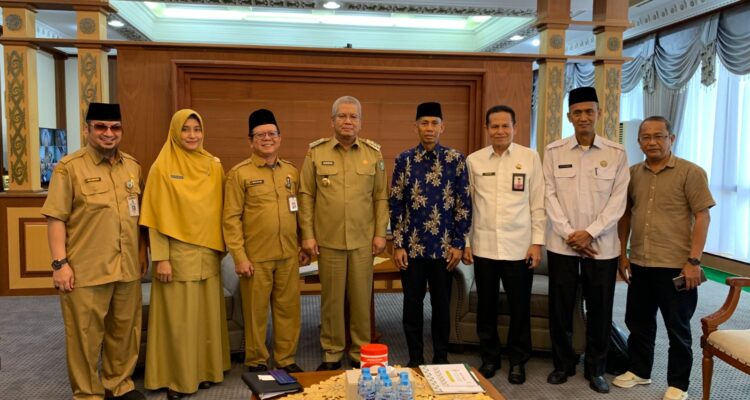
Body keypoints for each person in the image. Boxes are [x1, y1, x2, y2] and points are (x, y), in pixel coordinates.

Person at [41, 102, 146, 400]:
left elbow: (137, 217)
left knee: (125, 332)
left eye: (115, 128)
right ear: (87, 129)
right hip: (86, 269)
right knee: (84, 337)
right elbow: (56, 218)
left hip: (126, 267)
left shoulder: (133, 166)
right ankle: (88, 393)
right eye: (100, 127)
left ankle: (120, 385)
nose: (108, 133)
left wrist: (141, 253)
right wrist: (59, 263)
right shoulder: (69, 168)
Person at [613, 116, 714, 400]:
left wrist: (694, 262)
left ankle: (678, 384)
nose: (652, 142)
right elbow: (627, 215)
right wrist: (623, 255)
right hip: (641, 262)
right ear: (639, 141)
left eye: (659, 136)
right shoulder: (633, 173)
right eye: (646, 137)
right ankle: (639, 371)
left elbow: (703, 216)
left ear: (672, 138)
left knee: (677, 328)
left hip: (677, 266)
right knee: (639, 322)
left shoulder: (691, 172)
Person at [543, 86, 630, 393]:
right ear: (569, 116)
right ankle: (563, 364)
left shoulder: (616, 153)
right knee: (561, 308)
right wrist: (570, 234)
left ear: (599, 114)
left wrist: (589, 233)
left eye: (589, 111)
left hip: (601, 247)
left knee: (600, 309)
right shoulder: (553, 151)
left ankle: (596, 369)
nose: (583, 117)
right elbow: (548, 196)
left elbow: (618, 202)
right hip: (562, 245)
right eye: (577, 112)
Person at [140, 109, 230, 399]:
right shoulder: (162, 167)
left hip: (209, 255)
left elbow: (222, 209)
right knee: (179, 321)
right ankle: (177, 379)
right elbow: (154, 216)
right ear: (175, 132)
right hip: (176, 257)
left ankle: (204, 371)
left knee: (205, 318)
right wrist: (161, 258)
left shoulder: (213, 165)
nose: (192, 135)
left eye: (197, 129)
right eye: (186, 129)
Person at [299, 95, 389, 370]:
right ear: (333, 120)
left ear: (360, 122)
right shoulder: (316, 153)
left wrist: (380, 233)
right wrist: (308, 235)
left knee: (362, 300)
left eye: (353, 116)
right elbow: (306, 195)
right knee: (332, 300)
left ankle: (360, 352)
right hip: (329, 241)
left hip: (363, 240)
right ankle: (332, 352)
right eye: (342, 116)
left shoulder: (373, 154)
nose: (348, 121)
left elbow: (380, 197)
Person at [223, 109, 309, 373]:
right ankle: (257, 360)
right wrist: (239, 256)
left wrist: (303, 242)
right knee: (255, 313)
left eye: (272, 133)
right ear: (250, 141)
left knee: (288, 311)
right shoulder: (239, 174)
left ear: (280, 138)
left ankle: (285, 359)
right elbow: (231, 219)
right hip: (255, 258)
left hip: (287, 255)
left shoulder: (292, 172)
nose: (267, 138)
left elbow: (301, 210)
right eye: (260, 135)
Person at [463, 105, 545, 383]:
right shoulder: (474, 161)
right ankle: (490, 357)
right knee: (486, 306)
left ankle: (518, 360)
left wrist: (537, 243)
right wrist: (465, 241)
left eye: (505, 126)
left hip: (519, 247)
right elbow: (467, 206)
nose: (500, 131)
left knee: (519, 306)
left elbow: (538, 203)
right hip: (484, 246)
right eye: (494, 126)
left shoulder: (530, 158)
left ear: (515, 127)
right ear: (487, 129)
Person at [389, 102, 471, 368]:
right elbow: (396, 203)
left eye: (434, 123)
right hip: (411, 249)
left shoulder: (455, 160)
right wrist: (398, 244)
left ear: (442, 126)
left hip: (444, 250)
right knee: (412, 305)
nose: (429, 128)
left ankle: (441, 356)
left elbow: (463, 204)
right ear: (415, 127)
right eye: (424, 123)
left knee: (441, 306)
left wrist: (459, 244)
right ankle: (414, 357)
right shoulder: (404, 160)